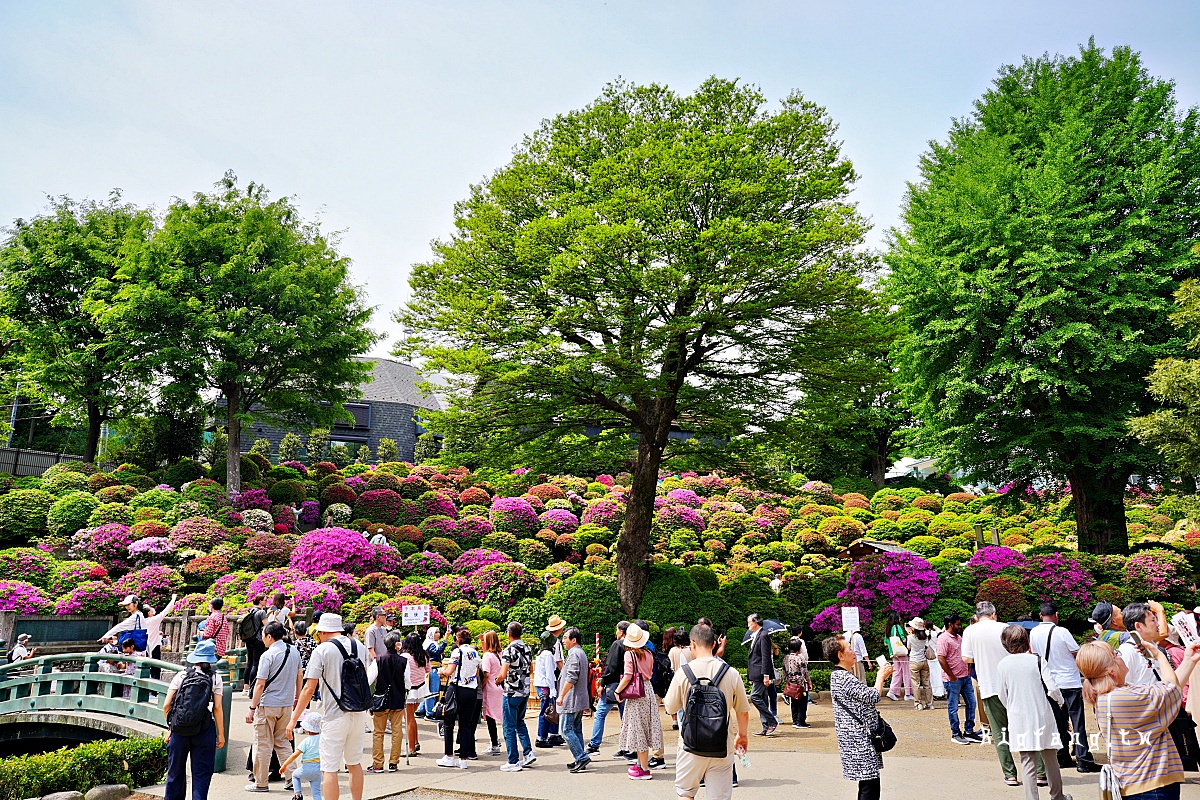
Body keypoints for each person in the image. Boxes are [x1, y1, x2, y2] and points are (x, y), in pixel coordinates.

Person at [1078, 637, 1200, 800]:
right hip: (1153, 785)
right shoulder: (1126, 698)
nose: (1121, 657)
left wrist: (1188, 661)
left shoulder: (1109, 695)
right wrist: (1159, 656)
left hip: (1135, 783)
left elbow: (1168, 691)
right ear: (1111, 671)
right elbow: (1171, 689)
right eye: (1116, 654)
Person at [663, 623, 750, 800]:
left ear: (693, 644)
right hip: (722, 745)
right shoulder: (731, 673)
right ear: (714, 644)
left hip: (690, 745)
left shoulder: (683, 673)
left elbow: (670, 707)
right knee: (719, 797)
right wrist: (742, 736)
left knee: (686, 793)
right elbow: (742, 711)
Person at [286, 614, 367, 800]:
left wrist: (293, 719)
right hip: (358, 712)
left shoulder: (322, 650)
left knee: (329, 768)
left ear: (322, 631)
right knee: (354, 763)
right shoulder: (359, 646)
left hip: (334, 714)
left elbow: (308, 688)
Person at [963, 601, 1036, 786]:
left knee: (999, 732)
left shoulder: (970, 631)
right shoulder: (1006, 627)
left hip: (989, 685)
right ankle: (1040, 772)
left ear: (977, 615)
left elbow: (966, 658)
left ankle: (1010, 773)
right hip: (1013, 685)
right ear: (994, 613)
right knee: (1026, 728)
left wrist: (982, 657)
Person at [997, 624, 1071, 800]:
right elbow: (1052, 688)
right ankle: (1057, 795)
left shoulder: (1003, 665)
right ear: (1026, 640)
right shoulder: (1037, 660)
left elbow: (1002, 695)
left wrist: (1012, 707)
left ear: (1006, 644)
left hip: (1019, 717)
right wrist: (1060, 702)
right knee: (1050, 757)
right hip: (1042, 713)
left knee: (1028, 761)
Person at [1030, 602, 1099, 773]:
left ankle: (1062, 757)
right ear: (1056, 614)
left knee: (1058, 723)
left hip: (1050, 684)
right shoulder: (1062, 632)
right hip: (1069, 682)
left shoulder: (1034, 633)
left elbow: (1035, 656)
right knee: (1077, 723)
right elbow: (1078, 654)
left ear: (1040, 615)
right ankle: (1083, 760)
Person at [826, 633, 893, 800]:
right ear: (840, 655)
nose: (853, 651)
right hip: (859, 738)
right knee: (870, 784)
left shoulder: (841, 676)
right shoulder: (843, 677)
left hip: (857, 736)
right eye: (849, 648)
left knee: (868, 782)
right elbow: (872, 696)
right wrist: (880, 677)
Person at [163, 639, 226, 800]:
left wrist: (172, 727)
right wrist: (221, 734)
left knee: (174, 773)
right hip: (204, 730)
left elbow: (167, 705)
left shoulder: (182, 675)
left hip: (179, 731)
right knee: (201, 775)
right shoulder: (215, 678)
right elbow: (217, 708)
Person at [245, 621, 302, 793]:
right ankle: (292, 778)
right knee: (283, 742)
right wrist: (297, 698)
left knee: (263, 745)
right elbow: (300, 676)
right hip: (286, 704)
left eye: (263, 635)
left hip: (267, 704)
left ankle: (261, 783)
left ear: (269, 636)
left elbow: (260, 684)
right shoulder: (294, 651)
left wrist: (252, 708)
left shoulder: (267, 655)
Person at [615, 623, 663, 780]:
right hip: (647, 689)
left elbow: (628, 676)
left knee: (638, 729)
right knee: (646, 728)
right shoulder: (649, 652)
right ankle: (643, 766)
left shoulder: (629, 655)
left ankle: (643, 769)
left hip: (637, 693)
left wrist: (618, 691)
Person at [437, 628, 481, 768]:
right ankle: (463, 759)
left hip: (457, 689)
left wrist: (442, 672)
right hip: (471, 690)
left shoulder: (457, 651)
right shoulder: (475, 653)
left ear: (458, 640)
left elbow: (450, 671)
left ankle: (449, 756)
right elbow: (477, 671)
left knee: (449, 722)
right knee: (466, 725)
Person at [495, 621, 536, 771]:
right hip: (524, 691)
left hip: (511, 692)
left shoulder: (508, 650)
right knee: (520, 722)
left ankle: (513, 761)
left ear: (508, 634)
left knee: (508, 727)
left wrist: (498, 680)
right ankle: (528, 752)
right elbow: (530, 669)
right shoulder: (527, 648)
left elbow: (503, 673)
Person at [368, 632, 409, 774]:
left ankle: (378, 764)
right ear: (397, 644)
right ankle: (393, 763)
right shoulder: (404, 661)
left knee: (378, 732)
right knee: (397, 731)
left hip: (381, 699)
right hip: (398, 699)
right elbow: (407, 683)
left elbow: (369, 680)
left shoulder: (378, 660)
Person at [937, 613, 981, 745]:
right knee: (953, 706)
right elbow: (941, 658)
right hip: (953, 679)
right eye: (957, 624)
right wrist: (951, 675)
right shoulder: (943, 639)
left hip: (964, 677)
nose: (960, 626)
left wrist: (968, 669)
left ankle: (969, 730)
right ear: (950, 625)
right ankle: (955, 733)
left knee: (971, 703)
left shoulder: (958, 637)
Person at [1162, 629, 1200, 772]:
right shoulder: (1182, 650)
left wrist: (1184, 701)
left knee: (1188, 742)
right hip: (1188, 699)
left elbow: (1182, 679)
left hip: (1182, 701)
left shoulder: (1171, 653)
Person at [555, 627, 591, 773]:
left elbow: (571, 678)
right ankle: (579, 758)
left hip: (571, 699)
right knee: (576, 730)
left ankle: (581, 757)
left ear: (573, 640)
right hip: (578, 698)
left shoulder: (574, 654)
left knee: (566, 730)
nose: (563, 641)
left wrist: (561, 695)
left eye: (565, 638)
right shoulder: (579, 653)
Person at [589, 621, 628, 755]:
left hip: (613, 684)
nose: (616, 632)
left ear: (621, 632)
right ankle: (626, 746)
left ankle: (594, 744)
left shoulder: (617, 644)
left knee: (600, 713)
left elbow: (611, 667)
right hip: (628, 685)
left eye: (617, 630)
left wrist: (602, 684)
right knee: (625, 717)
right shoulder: (633, 645)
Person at [1118, 601, 1169, 686]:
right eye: (1153, 620)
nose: (1158, 624)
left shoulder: (1154, 646)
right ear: (1138, 626)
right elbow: (1122, 686)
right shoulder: (1128, 651)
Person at [745, 614, 779, 736]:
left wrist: (766, 675)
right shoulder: (756, 635)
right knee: (763, 698)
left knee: (754, 696)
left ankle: (772, 721)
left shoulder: (763, 635)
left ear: (756, 622)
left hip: (761, 674)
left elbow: (766, 657)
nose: (748, 624)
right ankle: (766, 727)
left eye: (749, 622)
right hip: (757, 673)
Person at [280, 711, 322, 800]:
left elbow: (295, 755)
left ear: (308, 729)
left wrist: (284, 765)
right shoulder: (323, 739)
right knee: (317, 793)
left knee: (295, 775)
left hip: (306, 768)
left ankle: (298, 794)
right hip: (318, 770)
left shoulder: (306, 741)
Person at [400, 632, 429, 756]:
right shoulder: (424, 655)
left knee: (409, 719)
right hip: (421, 688)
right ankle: (415, 742)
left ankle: (411, 748)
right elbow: (428, 670)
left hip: (409, 689)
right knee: (412, 718)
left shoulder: (405, 656)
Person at [534, 631, 560, 748]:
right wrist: (553, 689)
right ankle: (541, 737)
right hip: (546, 685)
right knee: (546, 711)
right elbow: (549, 673)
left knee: (546, 710)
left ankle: (545, 735)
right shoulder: (548, 655)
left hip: (540, 684)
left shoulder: (541, 653)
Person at [479, 630, 504, 756]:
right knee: (500, 715)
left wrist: (481, 685)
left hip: (490, 689)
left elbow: (486, 673)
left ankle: (494, 744)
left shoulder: (487, 656)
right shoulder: (500, 653)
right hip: (499, 687)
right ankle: (497, 742)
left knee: (489, 716)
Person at [783, 636, 812, 728]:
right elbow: (804, 671)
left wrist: (786, 680)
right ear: (798, 648)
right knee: (802, 702)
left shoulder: (786, 658)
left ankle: (795, 720)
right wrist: (809, 682)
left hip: (790, 682)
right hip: (800, 682)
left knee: (794, 702)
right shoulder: (800, 658)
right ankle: (801, 721)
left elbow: (784, 671)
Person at [884, 612, 913, 702]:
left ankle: (892, 691)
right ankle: (908, 693)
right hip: (901, 652)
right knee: (906, 672)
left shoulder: (888, 629)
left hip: (893, 653)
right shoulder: (897, 627)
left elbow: (885, 643)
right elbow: (903, 639)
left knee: (897, 672)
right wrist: (909, 635)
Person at [241, 595, 269, 692]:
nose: (266, 602)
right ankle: (253, 686)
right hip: (258, 639)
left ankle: (245, 687)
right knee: (256, 663)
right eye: (265, 600)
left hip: (249, 639)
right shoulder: (261, 612)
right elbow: (267, 626)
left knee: (249, 662)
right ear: (260, 601)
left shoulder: (251, 611)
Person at [906, 618, 934, 711]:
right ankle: (930, 703)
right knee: (927, 683)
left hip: (914, 661)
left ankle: (918, 703)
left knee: (916, 683)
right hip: (924, 660)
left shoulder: (910, 637)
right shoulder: (925, 637)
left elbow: (908, 648)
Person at [418, 627, 445, 718]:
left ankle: (420, 710)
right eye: (436, 632)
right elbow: (438, 651)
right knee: (432, 691)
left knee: (428, 690)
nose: (438, 634)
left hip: (431, 669)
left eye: (438, 632)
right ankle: (429, 713)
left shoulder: (429, 643)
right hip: (433, 669)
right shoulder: (431, 644)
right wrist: (445, 641)